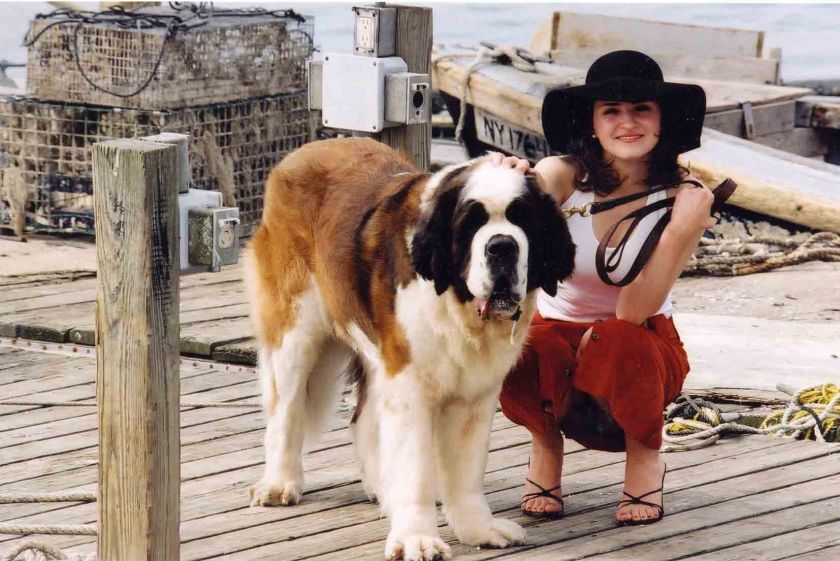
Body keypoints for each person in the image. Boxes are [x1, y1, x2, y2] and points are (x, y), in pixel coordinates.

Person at [493, 50, 715, 526]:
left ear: (661, 120)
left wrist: (679, 230)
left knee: (618, 336)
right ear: (592, 123)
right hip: (556, 342)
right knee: (527, 339)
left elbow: (633, 311)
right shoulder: (564, 176)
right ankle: (545, 449)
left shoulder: (684, 197)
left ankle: (645, 460)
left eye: (641, 109)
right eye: (611, 111)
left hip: (641, 349)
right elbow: (523, 202)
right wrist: (506, 183)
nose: (627, 123)